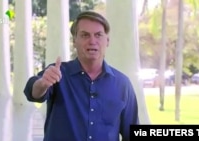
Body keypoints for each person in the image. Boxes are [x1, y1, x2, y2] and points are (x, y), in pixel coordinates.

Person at [24, 10, 139, 141]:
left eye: (98, 35)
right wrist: (42, 84)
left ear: (107, 41)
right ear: (74, 41)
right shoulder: (58, 73)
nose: (92, 41)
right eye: (85, 35)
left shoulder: (123, 84)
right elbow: (33, 93)